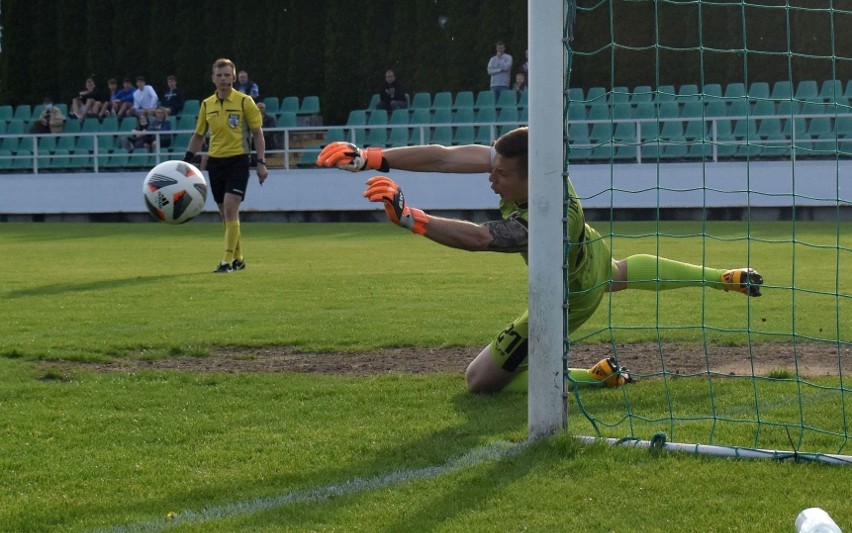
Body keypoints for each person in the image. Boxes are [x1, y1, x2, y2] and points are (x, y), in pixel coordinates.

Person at [315, 128, 765, 394]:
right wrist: (373, 157)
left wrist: (412, 218)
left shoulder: (545, 221)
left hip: (569, 295)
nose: (490, 177)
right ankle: (724, 277)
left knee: (479, 381)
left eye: (500, 174)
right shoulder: (540, 163)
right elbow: (449, 158)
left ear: (530, 178)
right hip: (593, 252)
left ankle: (592, 378)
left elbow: (478, 239)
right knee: (619, 273)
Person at [183, 58, 268, 273]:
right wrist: (185, 162)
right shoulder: (206, 104)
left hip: (238, 160)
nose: (223, 79)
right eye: (219, 75)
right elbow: (198, 135)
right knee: (225, 214)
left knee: (231, 209)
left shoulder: (244, 101)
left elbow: (258, 134)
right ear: (213, 79)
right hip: (215, 163)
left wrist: (261, 162)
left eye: (227, 75)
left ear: (234, 77)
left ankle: (227, 261)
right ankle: (239, 258)